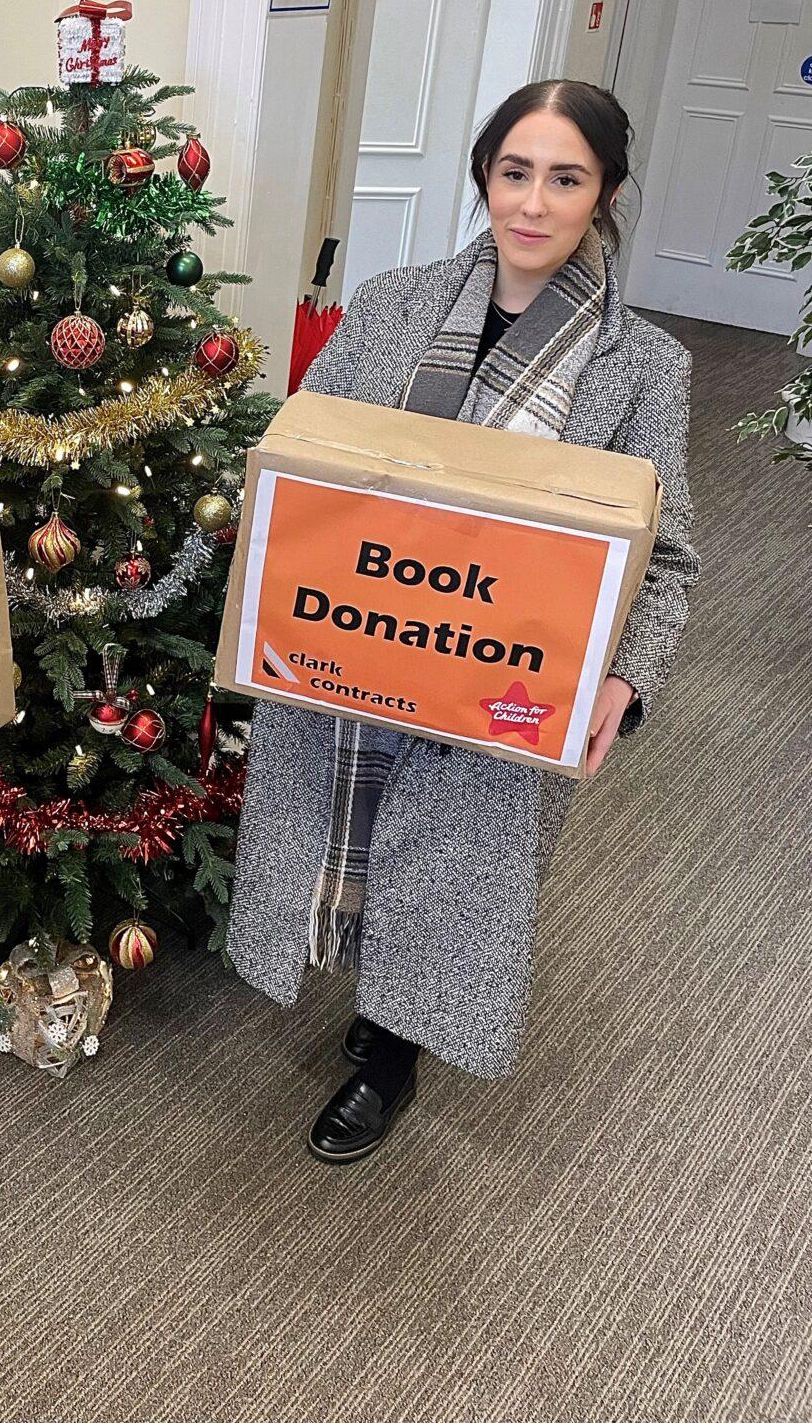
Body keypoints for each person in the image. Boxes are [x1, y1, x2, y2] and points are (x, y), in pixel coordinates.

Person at [228, 80, 699, 1164]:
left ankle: (393, 1050)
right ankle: (358, 989)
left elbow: (667, 554)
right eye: (515, 172)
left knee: (448, 875)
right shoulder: (390, 306)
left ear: (606, 194)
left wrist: (626, 680)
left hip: (503, 679)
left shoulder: (643, 368)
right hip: (356, 646)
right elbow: (301, 466)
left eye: (566, 179)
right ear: (485, 176)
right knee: (343, 830)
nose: (533, 203)